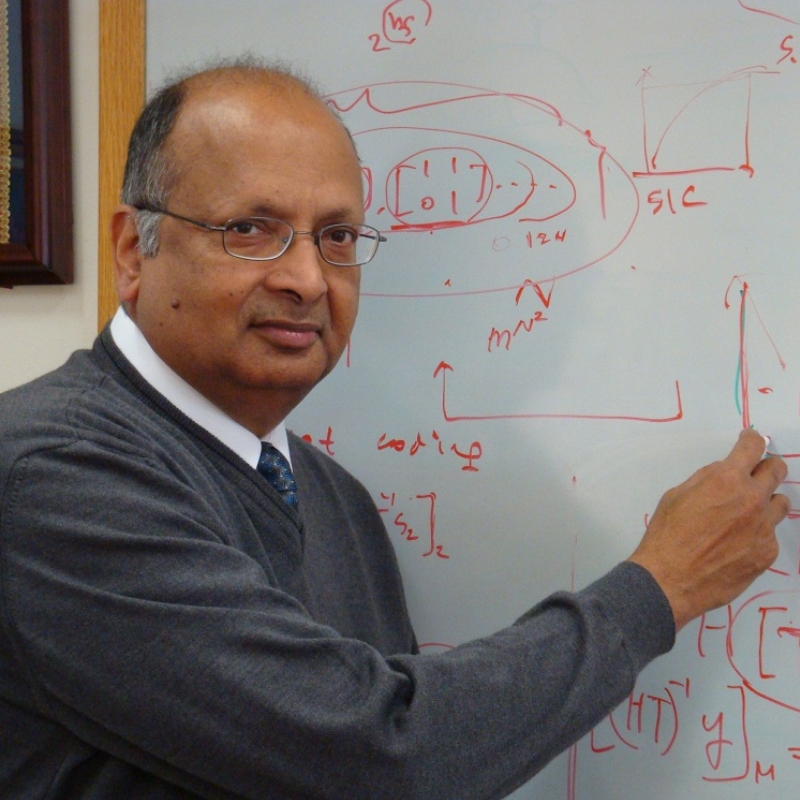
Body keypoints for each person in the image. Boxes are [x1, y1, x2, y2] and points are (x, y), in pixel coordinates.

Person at [0, 57, 789, 800]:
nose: (308, 279)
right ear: (132, 252)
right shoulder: (54, 475)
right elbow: (379, 756)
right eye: (251, 228)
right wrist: (660, 587)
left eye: (337, 238)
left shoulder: (334, 499)